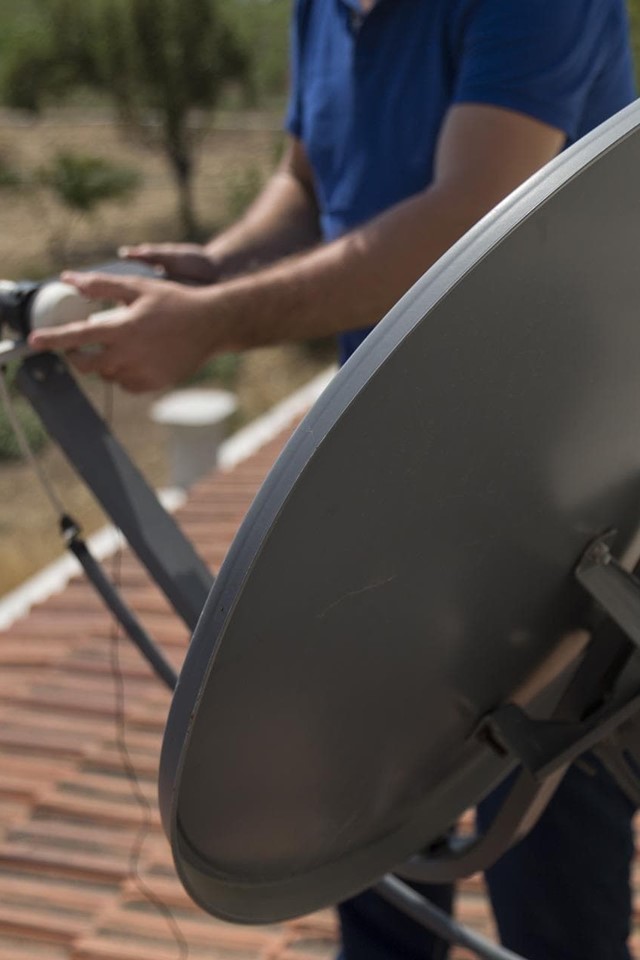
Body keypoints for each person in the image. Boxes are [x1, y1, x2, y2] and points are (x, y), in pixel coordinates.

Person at [30, 2, 637, 958]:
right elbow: (305, 184)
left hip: (555, 521)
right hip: (393, 495)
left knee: (551, 871)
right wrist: (215, 270)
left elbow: (465, 218)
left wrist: (216, 323)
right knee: (375, 872)